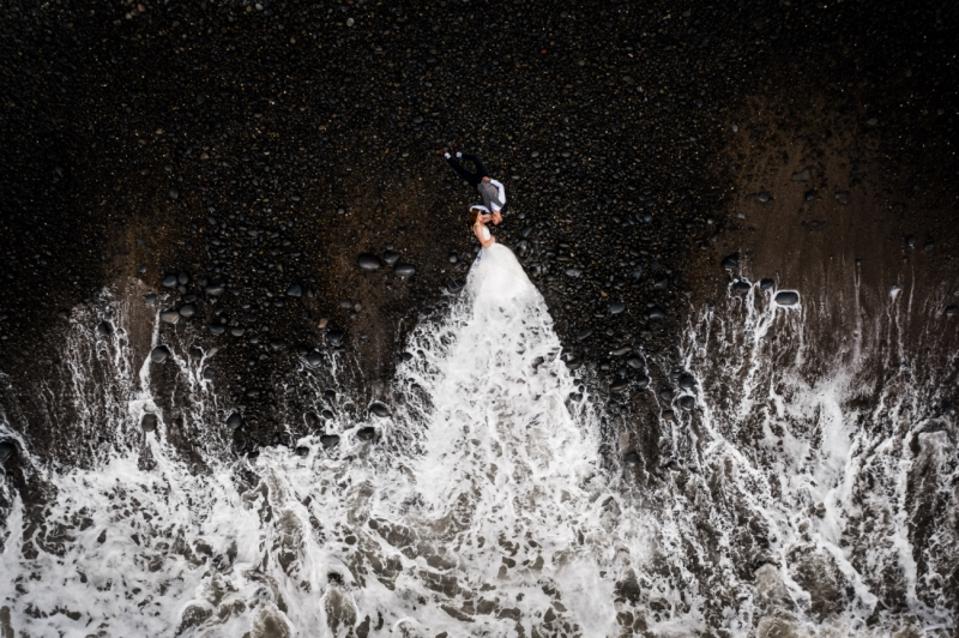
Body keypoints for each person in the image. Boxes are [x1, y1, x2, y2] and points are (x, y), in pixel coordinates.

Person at [444, 150, 507, 225]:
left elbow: (481, 207)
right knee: (476, 159)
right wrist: (491, 180)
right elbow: (501, 186)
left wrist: (472, 208)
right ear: (500, 218)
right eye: (494, 220)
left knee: (462, 172)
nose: (492, 219)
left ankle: (448, 158)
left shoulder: (489, 211)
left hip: (478, 185)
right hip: (485, 179)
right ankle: (461, 155)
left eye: (493, 221)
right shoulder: (501, 203)